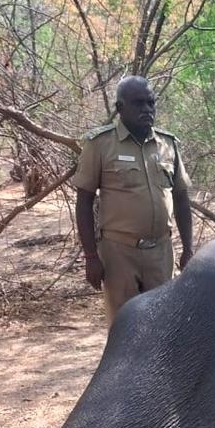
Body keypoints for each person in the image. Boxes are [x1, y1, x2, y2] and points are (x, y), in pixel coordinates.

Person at [73, 76, 195, 320]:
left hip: (161, 252)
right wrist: (91, 256)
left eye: (151, 103)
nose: (147, 109)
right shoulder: (100, 144)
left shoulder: (167, 144)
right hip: (119, 254)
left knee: (161, 323)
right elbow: (84, 201)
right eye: (139, 103)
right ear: (120, 107)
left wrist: (188, 249)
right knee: (123, 325)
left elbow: (181, 198)